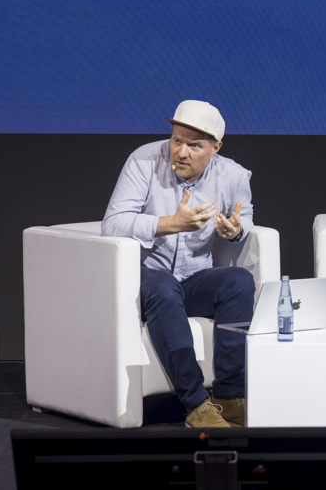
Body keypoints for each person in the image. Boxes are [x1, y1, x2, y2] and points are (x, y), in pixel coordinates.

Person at [102, 100, 255, 428]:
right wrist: (169, 224)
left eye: (194, 145)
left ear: (215, 148)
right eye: (176, 140)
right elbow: (112, 224)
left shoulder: (233, 174)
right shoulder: (143, 160)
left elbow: (246, 217)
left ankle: (230, 395)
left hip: (193, 279)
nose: (181, 152)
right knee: (163, 284)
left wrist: (236, 230)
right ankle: (197, 403)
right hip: (146, 278)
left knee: (238, 281)